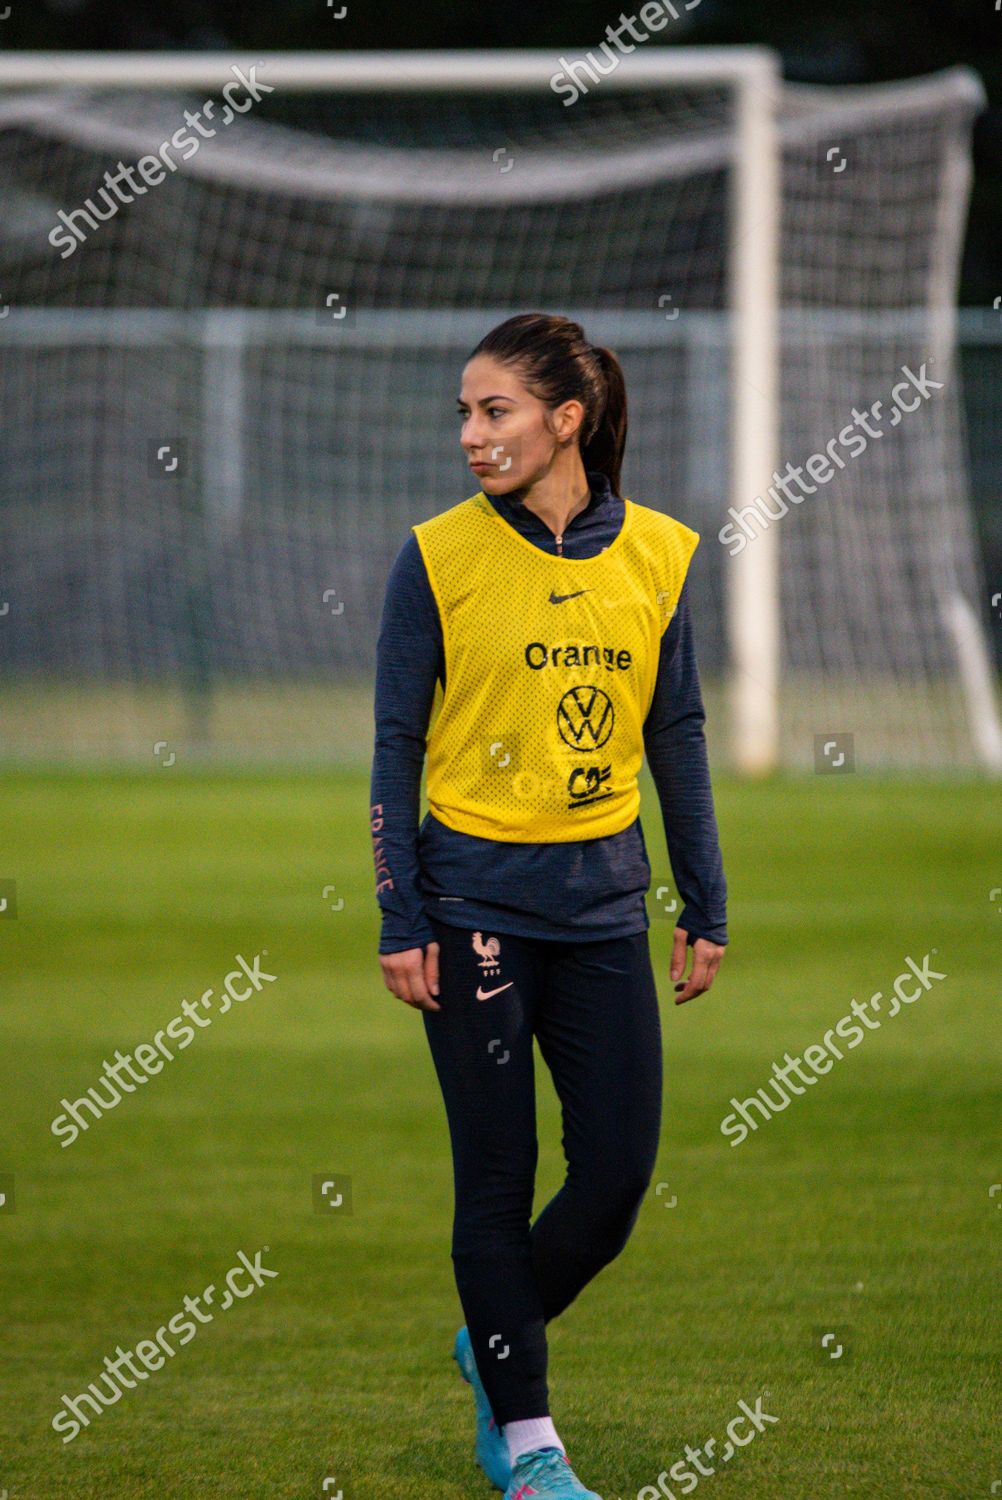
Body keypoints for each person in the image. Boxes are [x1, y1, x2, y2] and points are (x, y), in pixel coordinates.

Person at [370, 312, 727, 1500]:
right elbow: (395, 743)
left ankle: (495, 1335)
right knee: (495, 1179)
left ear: (565, 419)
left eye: (494, 411)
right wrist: (399, 913)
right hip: (470, 901)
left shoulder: (665, 552)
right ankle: (531, 1449)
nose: (470, 435)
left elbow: (674, 730)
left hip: (606, 906)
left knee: (618, 1174)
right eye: (464, 415)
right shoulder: (436, 556)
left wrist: (705, 898)